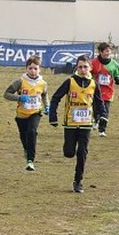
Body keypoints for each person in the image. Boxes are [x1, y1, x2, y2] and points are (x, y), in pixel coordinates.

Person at [49, 55, 106, 193]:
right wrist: (53, 116)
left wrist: (102, 115)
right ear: (76, 67)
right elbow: (55, 98)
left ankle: (78, 181)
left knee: (82, 152)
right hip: (70, 123)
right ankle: (69, 149)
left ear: (90, 68)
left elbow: (99, 102)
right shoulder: (70, 82)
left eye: (85, 67)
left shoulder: (94, 84)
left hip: (86, 124)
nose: (83, 69)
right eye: (80, 67)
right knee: (69, 152)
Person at [3, 56, 48, 171]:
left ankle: (30, 160)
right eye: (30, 68)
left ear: (39, 69)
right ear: (26, 69)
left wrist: (47, 106)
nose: (33, 71)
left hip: (35, 112)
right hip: (21, 115)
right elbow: (6, 94)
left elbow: (44, 95)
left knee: (32, 132)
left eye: (35, 68)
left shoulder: (42, 83)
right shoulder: (20, 81)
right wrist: (19, 97)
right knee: (24, 136)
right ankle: (27, 150)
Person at [90, 43, 119, 136]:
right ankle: (95, 119)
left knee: (105, 110)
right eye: (106, 51)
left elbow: (117, 73)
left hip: (108, 91)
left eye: (109, 51)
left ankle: (102, 130)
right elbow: (89, 73)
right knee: (96, 108)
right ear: (100, 52)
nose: (108, 53)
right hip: (96, 90)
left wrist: (117, 78)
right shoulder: (94, 63)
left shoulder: (114, 64)